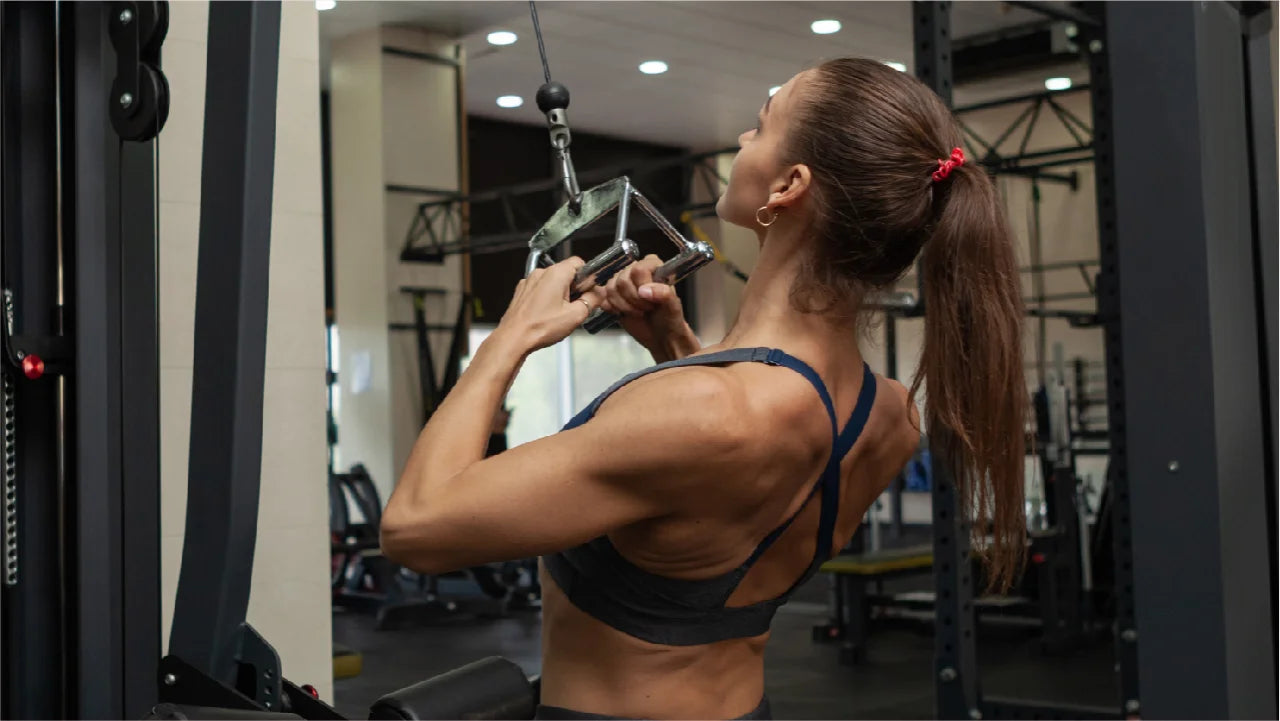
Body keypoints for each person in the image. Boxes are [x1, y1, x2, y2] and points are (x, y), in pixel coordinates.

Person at [381, 58, 1027, 720]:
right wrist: (676, 351)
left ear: (787, 186)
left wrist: (508, 338)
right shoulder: (889, 416)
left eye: (759, 125)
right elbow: (721, 512)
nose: (743, 141)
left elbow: (415, 527)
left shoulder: (708, 413)